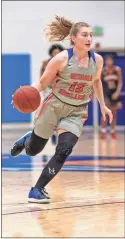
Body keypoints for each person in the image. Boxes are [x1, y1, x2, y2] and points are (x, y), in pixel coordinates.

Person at [11, 15, 113, 203]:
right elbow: (42, 84)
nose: (90, 39)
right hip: (54, 106)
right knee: (33, 150)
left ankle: (37, 188)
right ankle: (29, 138)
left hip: (77, 111)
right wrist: (22, 96)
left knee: (64, 149)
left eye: (91, 35)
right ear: (73, 38)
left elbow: (96, 81)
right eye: (85, 35)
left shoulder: (97, 60)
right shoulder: (61, 59)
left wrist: (103, 105)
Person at [39, 44, 65, 145]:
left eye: (58, 52)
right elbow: (42, 75)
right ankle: (52, 134)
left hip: (62, 90)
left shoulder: (65, 63)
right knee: (51, 114)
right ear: (51, 53)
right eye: (55, 52)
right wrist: (43, 87)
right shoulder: (47, 62)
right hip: (51, 90)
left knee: (61, 115)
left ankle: (59, 133)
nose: (56, 54)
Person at [100, 55, 122, 139]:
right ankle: (103, 131)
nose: (109, 62)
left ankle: (113, 131)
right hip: (106, 94)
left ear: (113, 61)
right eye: (107, 60)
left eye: (110, 60)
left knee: (113, 113)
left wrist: (117, 92)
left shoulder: (117, 70)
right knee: (105, 113)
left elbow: (120, 83)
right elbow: (98, 82)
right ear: (105, 61)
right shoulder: (103, 71)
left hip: (114, 93)